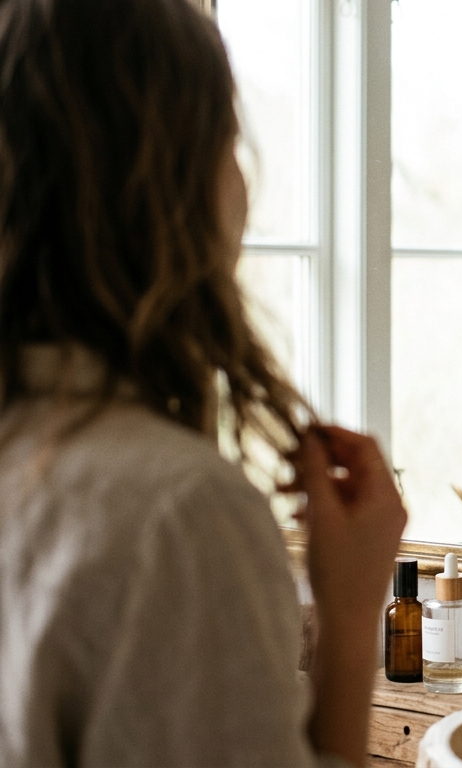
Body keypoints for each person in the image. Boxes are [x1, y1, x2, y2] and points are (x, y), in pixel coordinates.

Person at [0, 1, 406, 765]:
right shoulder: (180, 520)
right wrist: (352, 630)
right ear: (167, 187)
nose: (245, 188)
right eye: (226, 142)